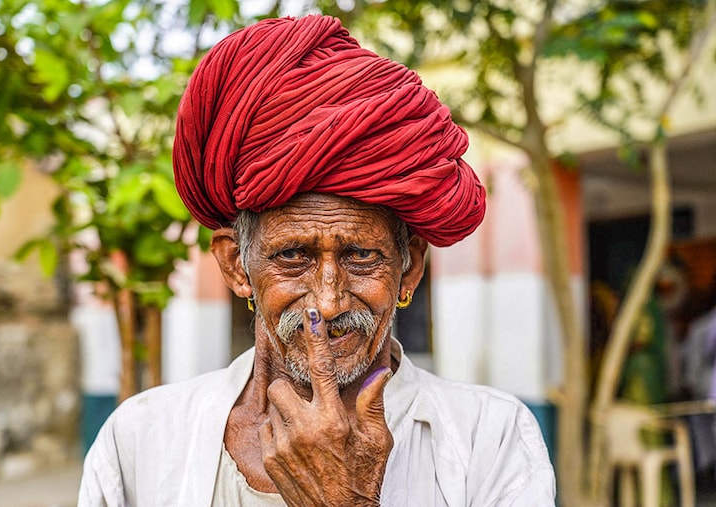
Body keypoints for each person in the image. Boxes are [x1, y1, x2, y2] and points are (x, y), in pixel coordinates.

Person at [79, 14, 555, 506]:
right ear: (237, 267)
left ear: (409, 266)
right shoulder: (138, 440)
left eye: (362, 255)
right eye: (292, 256)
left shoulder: (489, 439)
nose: (327, 303)